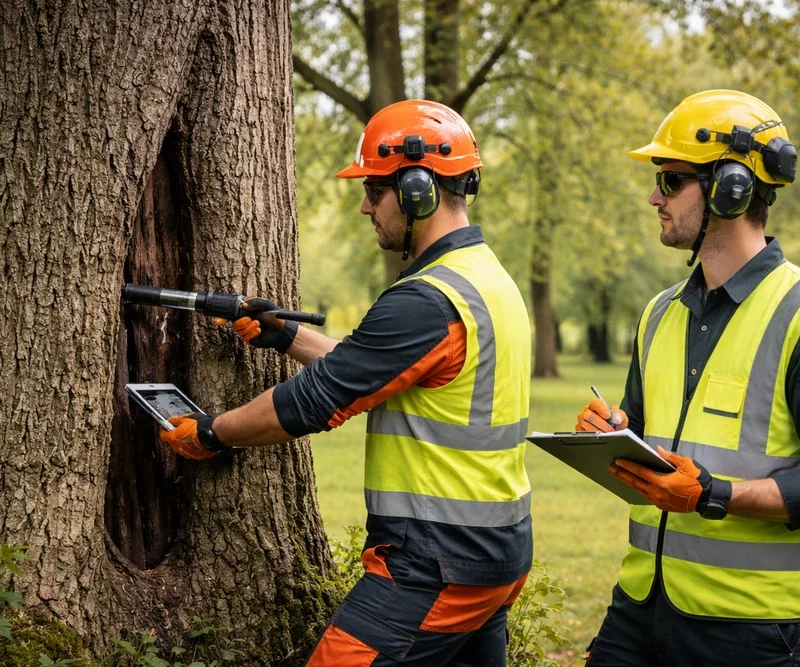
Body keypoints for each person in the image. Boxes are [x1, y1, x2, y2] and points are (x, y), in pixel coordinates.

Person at [160, 100, 534, 666]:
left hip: (436, 564)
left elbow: (310, 403)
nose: (365, 207)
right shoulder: (484, 278)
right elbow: (375, 367)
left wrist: (211, 433)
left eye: (374, 191)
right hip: (492, 553)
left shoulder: (426, 301)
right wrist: (286, 335)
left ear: (417, 189)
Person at [576, 89, 800, 666]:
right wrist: (612, 435)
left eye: (671, 180)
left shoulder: (797, 315)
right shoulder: (659, 313)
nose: (654, 196)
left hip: (753, 628)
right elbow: (645, 440)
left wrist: (714, 495)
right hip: (639, 606)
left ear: (732, 188)